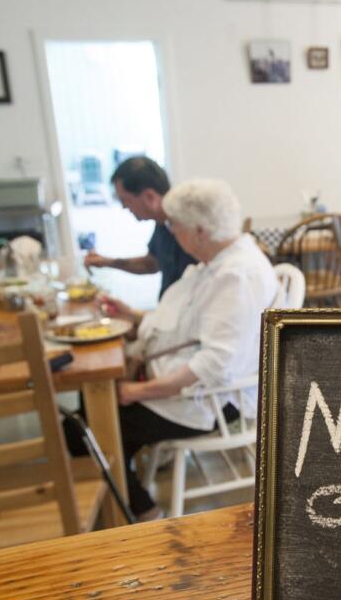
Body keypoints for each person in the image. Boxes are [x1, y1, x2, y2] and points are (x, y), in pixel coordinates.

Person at [90, 179, 277, 521]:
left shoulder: (237, 275)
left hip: (213, 402)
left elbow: (215, 363)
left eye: (175, 226)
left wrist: (137, 391)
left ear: (201, 231)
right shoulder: (217, 262)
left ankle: (145, 516)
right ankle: (132, 504)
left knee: (93, 429)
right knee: (91, 417)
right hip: (190, 388)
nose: (172, 232)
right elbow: (190, 325)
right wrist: (133, 316)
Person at [82, 157, 196, 299]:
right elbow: (152, 264)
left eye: (125, 200)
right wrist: (106, 261)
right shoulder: (162, 222)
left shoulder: (188, 229)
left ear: (149, 196)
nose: (124, 207)